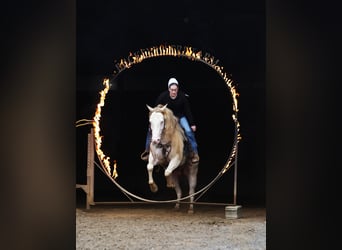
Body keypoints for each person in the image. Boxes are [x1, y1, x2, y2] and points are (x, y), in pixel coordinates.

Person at [141, 77, 200, 163]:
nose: (173, 92)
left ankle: (194, 153)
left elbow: (187, 110)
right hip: (168, 118)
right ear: (169, 89)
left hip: (180, 117)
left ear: (177, 89)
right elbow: (156, 110)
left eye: (175, 90)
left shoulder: (182, 97)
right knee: (151, 129)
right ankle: (147, 151)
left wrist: (192, 124)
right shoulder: (163, 96)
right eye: (172, 90)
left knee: (188, 131)